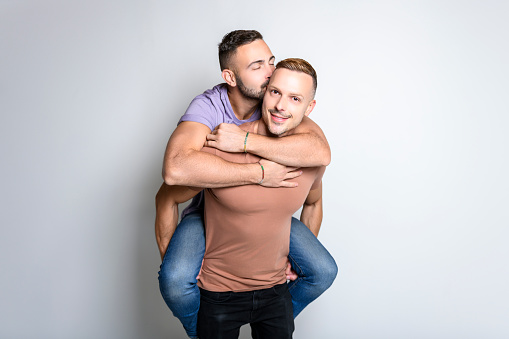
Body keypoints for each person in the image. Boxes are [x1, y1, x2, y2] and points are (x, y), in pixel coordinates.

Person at [156, 30, 337, 338]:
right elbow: (174, 170)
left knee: (322, 271)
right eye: (257, 66)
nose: (270, 74)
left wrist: (244, 141)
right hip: (210, 204)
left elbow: (320, 152)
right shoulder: (209, 108)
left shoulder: (279, 101)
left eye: (271, 61)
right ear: (230, 76)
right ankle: (202, 329)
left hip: (267, 213)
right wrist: (259, 173)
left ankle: (271, 316)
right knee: (174, 279)